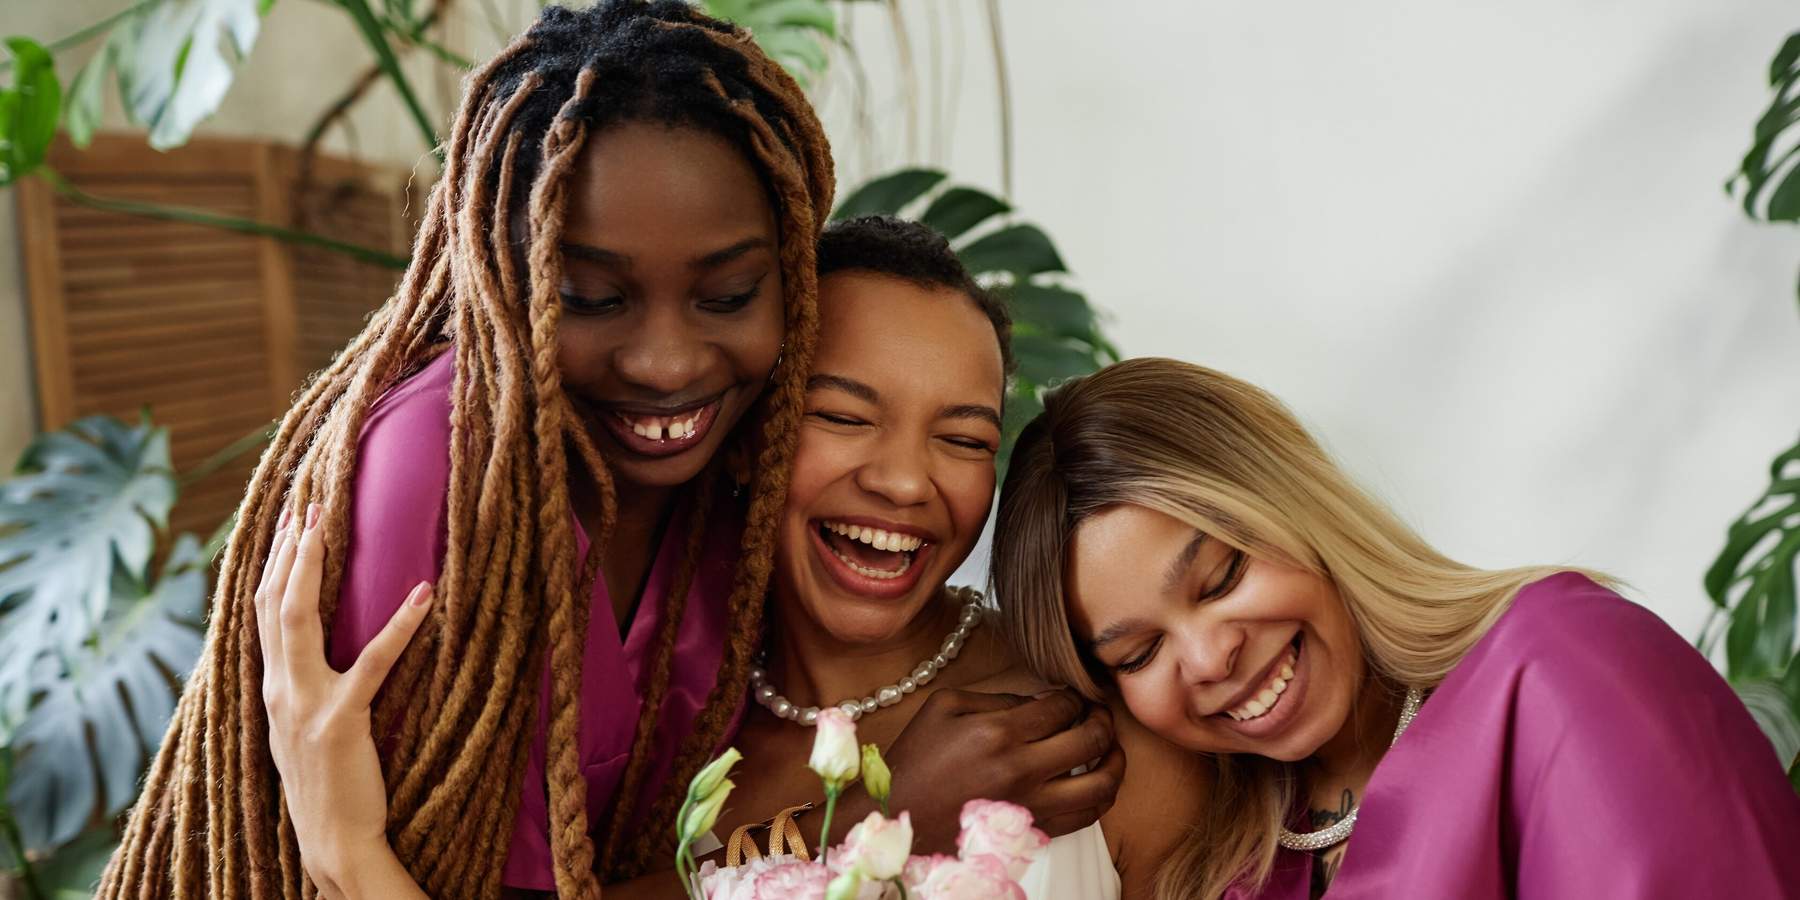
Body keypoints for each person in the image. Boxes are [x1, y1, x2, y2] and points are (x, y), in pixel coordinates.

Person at [101, 3, 835, 897]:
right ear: (503, 269)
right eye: (592, 298)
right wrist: (346, 858)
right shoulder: (436, 475)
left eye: (727, 296)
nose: (667, 362)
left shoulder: (756, 465)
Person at [254, 218, 1180, 900]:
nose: (905, 483)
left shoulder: (1081, 717)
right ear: (747, 435)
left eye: (965, 439)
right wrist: (345, 846)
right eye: (845, 417)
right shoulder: (673, 754)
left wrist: (350, 859)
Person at [992, 357, 1800, 899]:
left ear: (1300, 505)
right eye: (1139, 652)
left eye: (1223, 577)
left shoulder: (1562, 670)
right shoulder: (1235, 865)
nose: (1209, 657)